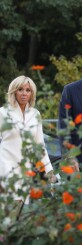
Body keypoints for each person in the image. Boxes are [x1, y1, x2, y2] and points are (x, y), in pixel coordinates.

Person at [0, 76, 56, 215]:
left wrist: (49, 171)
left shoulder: (35, 114)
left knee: (22, 213)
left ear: (32, 93)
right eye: (20, 90)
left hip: (26, 170)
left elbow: (40, 145)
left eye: (28, 90)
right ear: (14, 91)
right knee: (7, 211)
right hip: (5, 168)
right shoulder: (2, 112)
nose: (24, 93)